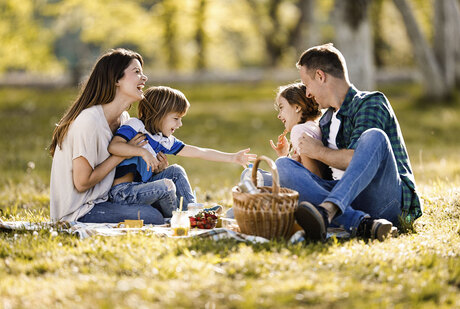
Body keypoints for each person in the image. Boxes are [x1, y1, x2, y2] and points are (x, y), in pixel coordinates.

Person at [275, 43, 422, 242]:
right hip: (350, 204)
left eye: (307, 85)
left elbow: (356, 159)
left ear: (320, 76)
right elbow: (319, 177)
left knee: (374, 136)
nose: (307, 94)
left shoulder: (371, 103)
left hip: (385, 201)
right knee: (282, 167)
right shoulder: (326, 122)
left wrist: (318, 151)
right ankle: (359, 222)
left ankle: (331, 210)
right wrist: (299, 163)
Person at [49, 48, 165, 224]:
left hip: (108, 199)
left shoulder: (124, 119)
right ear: (116, 80)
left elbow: (123, 174)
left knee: (172, 178)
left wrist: (155, 167)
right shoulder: (89, 122)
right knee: (153, 216)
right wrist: (123, 152)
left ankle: (198, 217)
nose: (144, 77)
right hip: (80, 210)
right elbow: (82, 183)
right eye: (137, 72)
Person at [107, 86, 256, 217]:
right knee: (166, 185)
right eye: (176, 118)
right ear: (158, 114)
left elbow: (199, 152)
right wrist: (143, 152)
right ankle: (181, 218)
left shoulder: (163, 139)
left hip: (143, 188)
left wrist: (233, 158)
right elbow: (114, 146)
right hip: (123, 192)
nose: (180, 124)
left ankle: (192, 212)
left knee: (176, 171)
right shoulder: (136, 125)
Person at [270, 82, 328, 179]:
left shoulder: (299, 130)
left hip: (316, 190)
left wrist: (285, 160)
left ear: (297, 107)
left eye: (281, 108)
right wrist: (285, 154)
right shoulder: (314, 127)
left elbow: (313, 178)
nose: (279, 115)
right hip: (322, 184)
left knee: (277, 166)